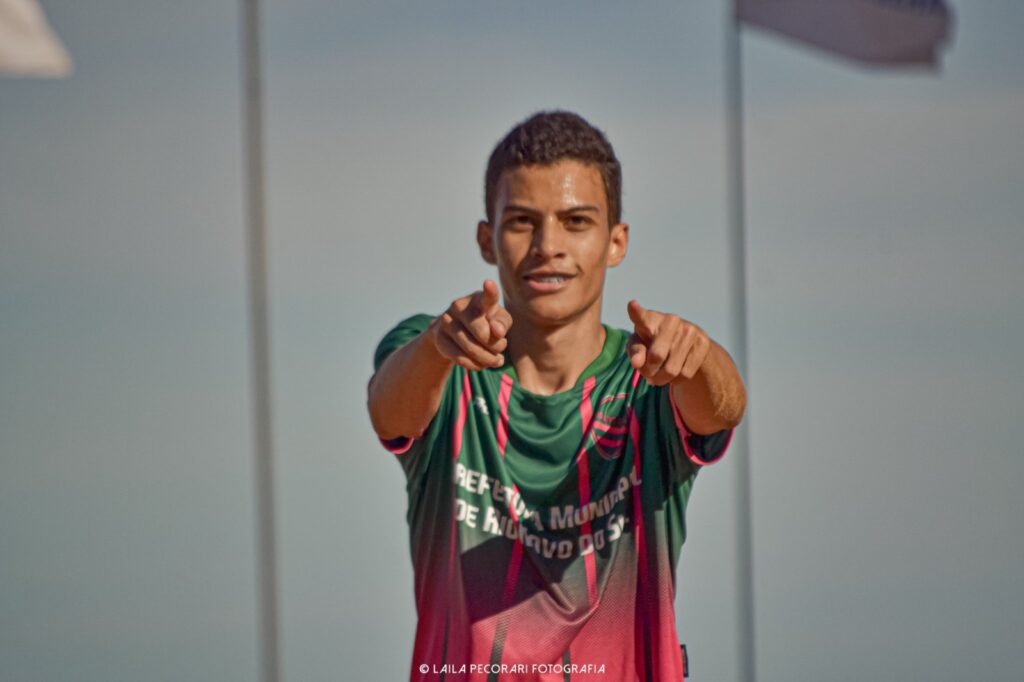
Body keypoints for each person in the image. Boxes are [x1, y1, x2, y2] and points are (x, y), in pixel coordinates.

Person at [367, 111, 747, 682]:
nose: (548, 246)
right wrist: (437, 347)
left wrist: (699, 356)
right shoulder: (443, 363)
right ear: (486, 239)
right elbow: (388, 412)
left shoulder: (651, 377)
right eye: (523, 221)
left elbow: (723, 407)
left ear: (616, 241)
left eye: (576, 221)